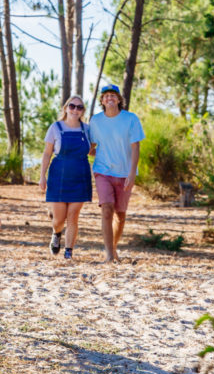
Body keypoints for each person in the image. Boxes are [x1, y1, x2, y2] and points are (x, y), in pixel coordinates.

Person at [88, 83, 144, 263]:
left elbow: (136, 147)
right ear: (102, 101)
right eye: (106, 96)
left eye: (113, 95)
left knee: (120, 215)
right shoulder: (96, 121)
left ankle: (113, 247)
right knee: (107, 209)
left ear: (119, 100)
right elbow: (91, 147)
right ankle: (109, 255)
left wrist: (132, 173)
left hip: (125, 173)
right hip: (102, 171)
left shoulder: (131, 119)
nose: (109, 98)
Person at [39, 95, 93, 262]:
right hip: (59, 176)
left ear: (83, 111)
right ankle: (56, 233)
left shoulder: (87, 129)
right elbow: (47, 153)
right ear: (66, 108)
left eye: (79, 107)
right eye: (72, 106)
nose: (75, 110)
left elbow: (93, 150)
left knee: (73, 216)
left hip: (80, 175)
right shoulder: (55, 128)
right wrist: (42, 176)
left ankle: (69, 251)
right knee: (59, 219)